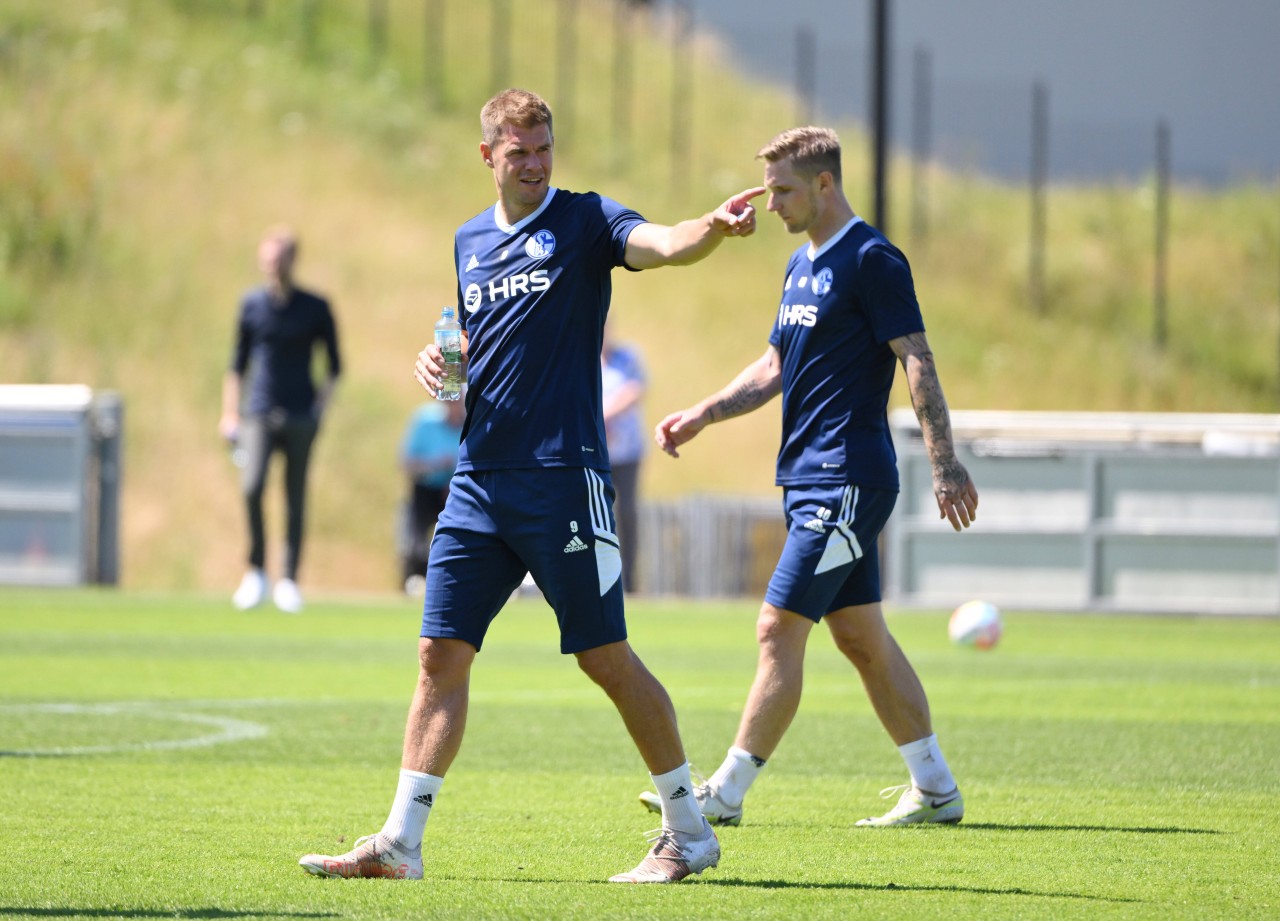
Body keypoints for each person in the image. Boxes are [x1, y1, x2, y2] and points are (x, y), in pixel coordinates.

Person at [298, 88, 765, 884]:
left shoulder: (584, 220)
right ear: (488, 156)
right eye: (520, 153)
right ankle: (400, 842)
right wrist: (440, 363)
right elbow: (465, 354)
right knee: (438, 653)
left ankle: (689, 829)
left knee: (605, 657)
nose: (537, 164)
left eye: (545, 148)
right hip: (477, 479)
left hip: (562, 477)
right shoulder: (469, 240)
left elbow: (660, 244)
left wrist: (708, 232)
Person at [641, 126, 979, 830]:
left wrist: (944, 464)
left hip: (846, 480)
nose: (771, 205)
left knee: (776, 627)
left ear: (825, 185)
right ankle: (936, 787)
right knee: (861, 637)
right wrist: (704, 412)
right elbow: (775, 366)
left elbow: (916, 358)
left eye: (783, 191)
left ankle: (725, 793)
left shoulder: (873, 259)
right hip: (808, 480)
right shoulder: (801, 264)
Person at [219, 226, 341, 615]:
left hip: (301, 413)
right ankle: (255, 571)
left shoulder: (315, 306)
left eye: (280, 258)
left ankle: (288, 579)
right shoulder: (251, 305)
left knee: (295, 497)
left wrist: (320, 409)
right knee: (252, 486)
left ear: (292, 259)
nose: (273, 266)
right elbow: (236, 364)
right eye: (268, 259)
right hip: (258, 411)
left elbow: (335, 366)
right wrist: (229, 412)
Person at [398, 395, 466, 596]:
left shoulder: (475, 423)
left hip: (459, 491)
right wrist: (435, 465)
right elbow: (406, 463)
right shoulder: (425, 420)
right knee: (417, 546)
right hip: (426, 490)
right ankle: (416, 579)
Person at [600, 323, 647, 593]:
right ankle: (604, 580)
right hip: (596, 454)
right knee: (599, 518)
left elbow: (634, 391)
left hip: (627, 452)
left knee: (627, 514)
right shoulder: (584, 358)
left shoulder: (628, 357)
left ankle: (629, 582)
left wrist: (603, 416)